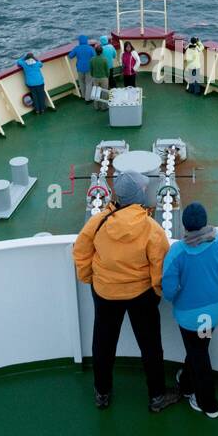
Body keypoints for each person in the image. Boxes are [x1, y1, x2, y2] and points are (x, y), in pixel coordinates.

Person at [73, 172, 179, 412]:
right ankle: (157, 397)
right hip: (141, 295)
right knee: (150, 346)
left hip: (105, 293)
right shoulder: (151, 229)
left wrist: (88, 277)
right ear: (140, 195)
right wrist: (156, 290)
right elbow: (159, 266)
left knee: (103, 343)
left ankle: (102, 393)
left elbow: (80, 251)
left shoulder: (98, 222)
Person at [162, 202, 218, 418]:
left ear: (184, 226)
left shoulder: (177, 252)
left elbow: (168, 287)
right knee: (199, 349)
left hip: (189, 317)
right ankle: (185, 383)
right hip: (212, 314)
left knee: (199, 354)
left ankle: (208, 403)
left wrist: (176, 298)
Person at [68, 35, 96, 103]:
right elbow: (95, 56)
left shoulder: (77, 48)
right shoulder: (90, 48)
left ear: (79, 41)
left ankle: (83, 96)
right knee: (89, 83)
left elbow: (70, 56)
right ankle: (88, 98)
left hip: (80, 68)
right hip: (89, 68)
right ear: (86, 40)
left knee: (81, 82)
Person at [89, 44, 111, 110]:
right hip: (104, 78)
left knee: (96, 92)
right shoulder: (104, 59)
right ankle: (104, 107)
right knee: (104, 92)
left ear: (95, 51)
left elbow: (91, 69)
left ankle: (96, 107)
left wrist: (93, 75)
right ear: (102, 51)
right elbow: (107, 70)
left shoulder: (92, 59)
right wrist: (107, 76)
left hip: (95, 78)